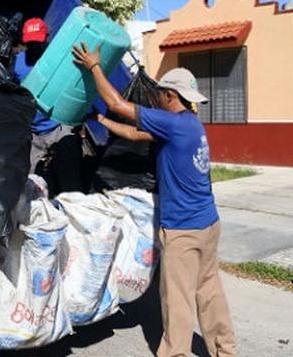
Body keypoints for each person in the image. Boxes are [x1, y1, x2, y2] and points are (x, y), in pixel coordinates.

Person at [72, 42, 236, 357]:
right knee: (210, 292)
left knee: (177, 298)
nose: (158, 98)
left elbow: (118, 103)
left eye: (161, 93)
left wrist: (94, 66)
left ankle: (175, 353)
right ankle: (225, 350)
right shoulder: (189, 124)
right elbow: (135, 134)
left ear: (171, 95)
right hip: (208, 224)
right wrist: (102, 122)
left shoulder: (172, 123)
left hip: (184, 229)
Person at [14, 18, 83, 194]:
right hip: (32, 130)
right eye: (30, 43)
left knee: (71, 181)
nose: (34, 47)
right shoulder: (16, 63)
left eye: (38, 41)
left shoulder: (61, 60)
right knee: (30, 186)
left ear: (46, 38)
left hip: (59, 126)